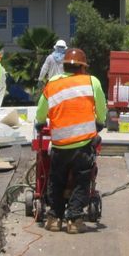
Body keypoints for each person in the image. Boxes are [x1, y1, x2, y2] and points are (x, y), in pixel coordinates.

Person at [35, 47, 107, 234]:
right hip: (83, 145)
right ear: (83, 67)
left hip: (59, 145)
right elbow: (101, 108)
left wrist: (40, 123)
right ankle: (74, 220)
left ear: (64, 66)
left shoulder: (52, 83)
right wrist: (99, 122)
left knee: (56, 180)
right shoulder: (92, 82)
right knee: (82, 180)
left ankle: (54, 218)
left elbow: (41, 112)